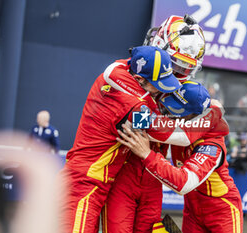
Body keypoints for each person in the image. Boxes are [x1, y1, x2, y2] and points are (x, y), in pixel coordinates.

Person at [103, 15, 227, 233]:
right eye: (174, 65)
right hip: (123, 174)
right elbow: (136, 122)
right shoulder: (130, 74)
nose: (177, 76)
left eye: (185, 70)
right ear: (158, 47)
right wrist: (210, 116)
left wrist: (210, 112)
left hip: (152, 181)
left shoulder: (184, 93)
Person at [60, 45, 183, 233]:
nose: (158, 92)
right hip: (84, 184)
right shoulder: (132, 105)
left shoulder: (120, 73)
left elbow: (118, 66)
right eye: (157, 85)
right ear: (140, 79)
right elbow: (174, 134)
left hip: (92, 182)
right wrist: (209, 120)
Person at [117, 82, 243, 233]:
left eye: (178, 110)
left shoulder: (212, 146)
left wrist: (147, 155)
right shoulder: (181, 127)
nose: (170, 114)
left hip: (221, 210)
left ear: (195, 116)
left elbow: (184, 183)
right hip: (192, 209)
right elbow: (137, 123)